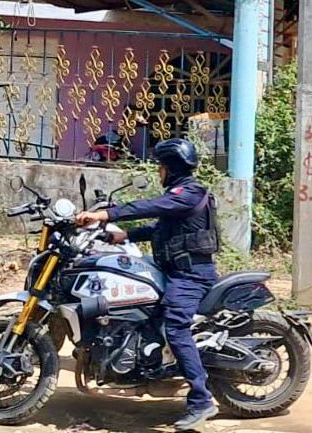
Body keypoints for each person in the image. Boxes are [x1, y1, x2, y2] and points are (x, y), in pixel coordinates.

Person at [76, 138, 220, 431]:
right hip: (173, 269)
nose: (158, 172)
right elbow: (160, 228)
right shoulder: (180, 197)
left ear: (171, 168)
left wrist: (105, 214)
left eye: (161, 167)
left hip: (190, 275)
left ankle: (201, 400)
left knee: (176, 327)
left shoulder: (189, 193)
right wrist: (122, 236)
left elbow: (150, 207)